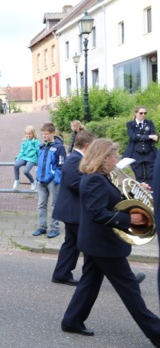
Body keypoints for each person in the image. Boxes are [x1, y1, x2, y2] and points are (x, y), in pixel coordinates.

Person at [60, 139, 160, 346]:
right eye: (115, 156)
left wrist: (137, 191)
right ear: (104, 159)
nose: (118, 159)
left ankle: (72, 320)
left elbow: (112, 201)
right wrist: (129, 219)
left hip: (96, 242)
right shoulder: (95, 180)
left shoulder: (100, 177)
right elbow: (97, 213)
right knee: (130, 289)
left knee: (89, 283)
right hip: (103, 244)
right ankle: (156, 332)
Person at [51, 130, 96, 286]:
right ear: (87, 145)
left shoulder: (78, 159)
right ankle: (118, 276)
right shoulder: (74, 159)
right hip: (73, 211)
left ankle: (61, 273)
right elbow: (76, 184)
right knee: (89, 244)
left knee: (72, 243)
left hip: (73, 210)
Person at [33, 122, 66, 238]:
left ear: (53, 133)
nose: (44, 136)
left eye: (46, 134)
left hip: (52, 181)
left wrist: (57, 178)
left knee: (54, 205)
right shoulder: (42, 146)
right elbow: (39, 162)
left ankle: (55, 228)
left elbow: (61, 165)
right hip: (41, 180)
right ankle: (42, 227)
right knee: (41, 204)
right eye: (42, 134)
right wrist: (37, 176)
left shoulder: (59, 147)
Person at [124, 106, 158, 185]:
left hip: (149, 153)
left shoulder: (149, 123)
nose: (143, 115)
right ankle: (140, 192)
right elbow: (133, 137)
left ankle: (151, 192)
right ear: (135, 113)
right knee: (139, 177)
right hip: (136, 153)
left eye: (145, 113)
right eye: (141, 113)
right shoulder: (130, 124)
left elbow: (155, 136)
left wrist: (151, 136)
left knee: (151, 176)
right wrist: (148, 136)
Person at [13, 125, 39, 190]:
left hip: (32, 159)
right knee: (16, 165)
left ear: (33, 134)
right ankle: (17, 180)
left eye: (30, 134)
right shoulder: (25, 141)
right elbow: (22, 151)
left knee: (26, 171)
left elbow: (38, 151)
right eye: (27, 134)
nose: (28, 135)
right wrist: (18, 158)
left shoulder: (36, 141)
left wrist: (39, 160)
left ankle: (33, 182)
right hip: (25, 157)